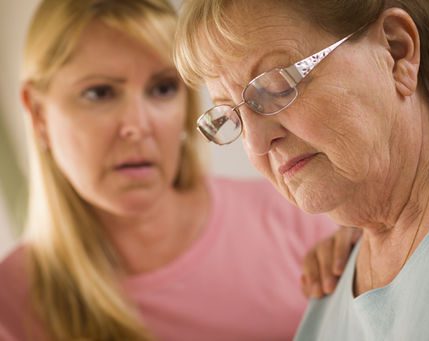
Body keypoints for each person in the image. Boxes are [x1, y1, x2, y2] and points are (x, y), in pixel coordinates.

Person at [0, 0, 356, 340]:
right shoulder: (11, 302)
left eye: (162, 88)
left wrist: (366, 258)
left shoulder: (301, 215)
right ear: (38, 114)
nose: (138, 126)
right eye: (99, 93)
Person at [175, 0, 429, 340]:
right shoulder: (335, 274)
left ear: (396, 51)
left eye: (277, 86)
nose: (257, 144)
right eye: (230, 117)